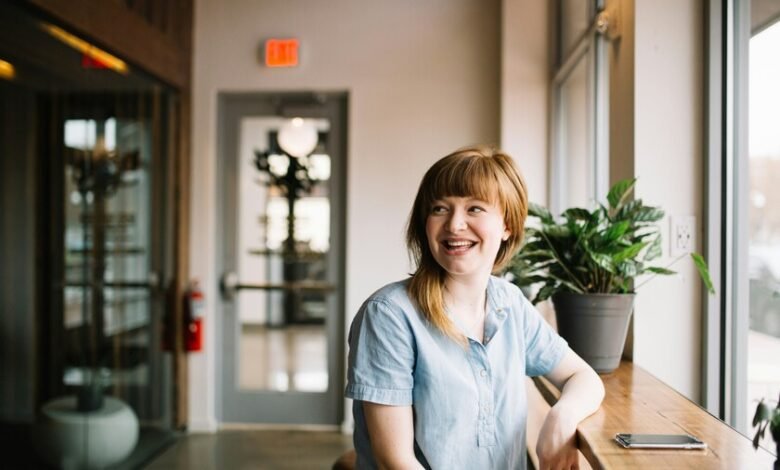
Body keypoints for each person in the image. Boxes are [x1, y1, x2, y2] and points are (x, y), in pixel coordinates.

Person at [345, 145, 605, 469]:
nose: (454, 225)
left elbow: (583, 377)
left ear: (507, 224)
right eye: (440, 208)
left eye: (474, 209)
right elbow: (394, 461)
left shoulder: (510, 303)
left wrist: (562, 416)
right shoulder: (389, 315)